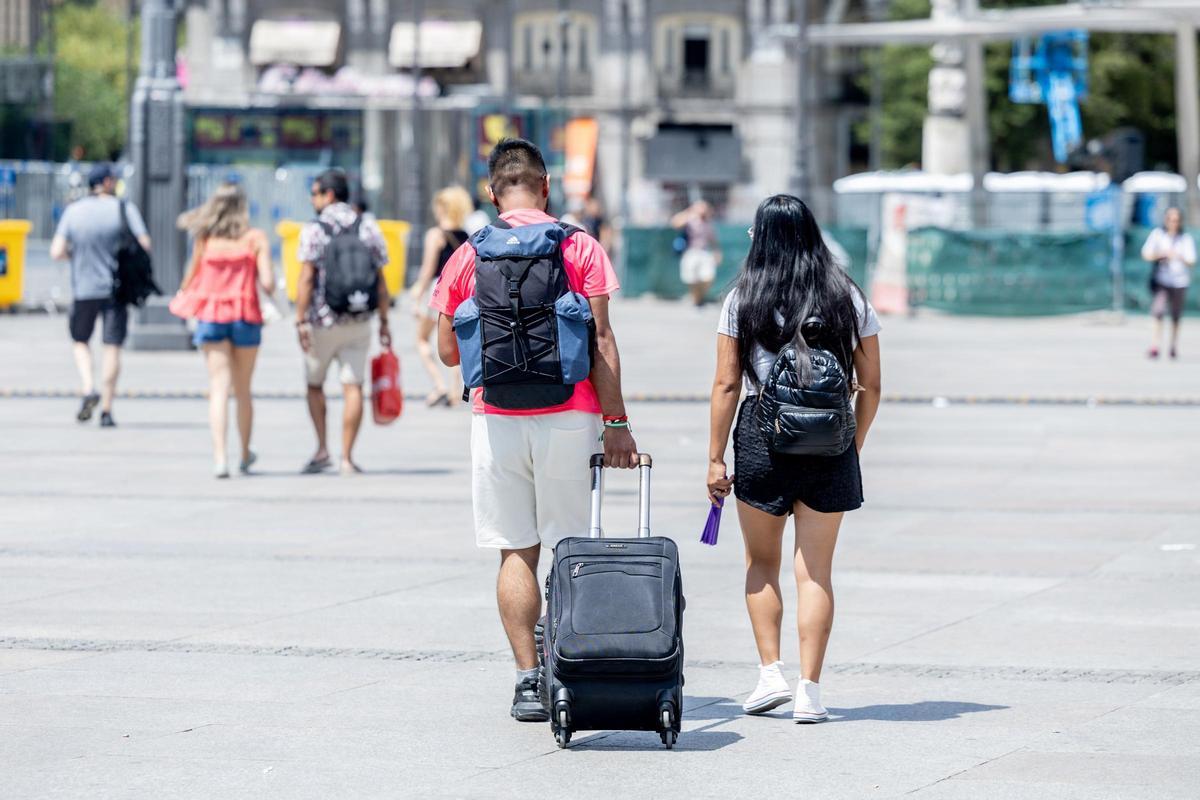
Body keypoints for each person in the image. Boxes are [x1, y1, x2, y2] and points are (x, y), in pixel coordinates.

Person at [431, 138, 638, 722]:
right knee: (571, 550)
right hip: (571, 415)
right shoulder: (580, 246)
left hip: (497, 419)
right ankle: (570, 669)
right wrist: (616, 423)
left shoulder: (469, 253)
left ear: (492, 194)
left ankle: (527, 681)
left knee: (514, 551)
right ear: (547, 187)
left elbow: (448, 352)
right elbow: (601, 342)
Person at [706, 194, 882, 724]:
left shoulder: (743, 297)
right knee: (816, 574)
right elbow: (871, 385)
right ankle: (810, 691)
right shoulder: (847, 296)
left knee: (762, 563)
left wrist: (715, 458)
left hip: (763, 438)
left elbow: (726, 384)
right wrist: (853, 444)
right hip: (830, 442)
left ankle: (769, 676)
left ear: (761, 237)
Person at [169, 184, 275, 478]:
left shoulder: (206, 239)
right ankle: (244, 452)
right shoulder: (255, 238)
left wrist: (184, 296)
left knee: (218, 387)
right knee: (243, 390)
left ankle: (219, 458)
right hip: (245, 315)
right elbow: (267, 282)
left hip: (212, 316)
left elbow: (190, 277)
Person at [295, 169, 391, 475]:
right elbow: (380, 280)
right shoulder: (368, 225)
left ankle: (323, 449)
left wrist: (299, 320)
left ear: (329, 195)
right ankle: (347, 458)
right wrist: (385, 321)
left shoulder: (314, 228)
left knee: (314, 385)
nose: (313, 199)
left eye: (315, 193)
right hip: (359, 319)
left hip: (322, 322)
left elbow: (306, 278)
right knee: (353, 387)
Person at [49, 164, 152, 428]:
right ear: (107, 182)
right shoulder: (123, 208)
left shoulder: (74, 211)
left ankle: (87, 387)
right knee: (112, 347)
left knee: (80, 340)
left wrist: (77, 256)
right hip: (116, 289)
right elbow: (145, 244)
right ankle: (106, 409)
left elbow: (56, 251)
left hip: (84, 288)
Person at [407, 186, 472, 407]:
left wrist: (417, 296)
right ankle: (455, 392)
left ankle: (439, 385)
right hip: (461, 291)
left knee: (421, 339)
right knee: (455, 342)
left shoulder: (435, 235)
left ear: (443, 208)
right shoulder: (466, 236)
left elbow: (427, 270)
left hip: (438, 290)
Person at [1141, 207, 1195, 359]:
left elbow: (1192, 260)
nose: (1173, 223)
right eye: (1171, 220)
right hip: (1162, 280)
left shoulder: (1185, 238)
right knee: (1158, 311)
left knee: (1175, 316)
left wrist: (1178, 256)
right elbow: (1146, 254)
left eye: (1176, 220)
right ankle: (1155, 345)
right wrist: (1161, 255)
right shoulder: (1158, 235)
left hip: (1180, 281)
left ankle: (1173, 345)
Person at [671, 199, 722, 307]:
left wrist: (717, 252)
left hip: (704, 252)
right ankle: (696, 300)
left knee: (708, 277)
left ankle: (699, 297)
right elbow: (675, 222)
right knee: (690, 278)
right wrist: (690, 211)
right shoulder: (690, 220)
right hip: (691, 251)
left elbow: (713, 240)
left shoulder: (708, 223)